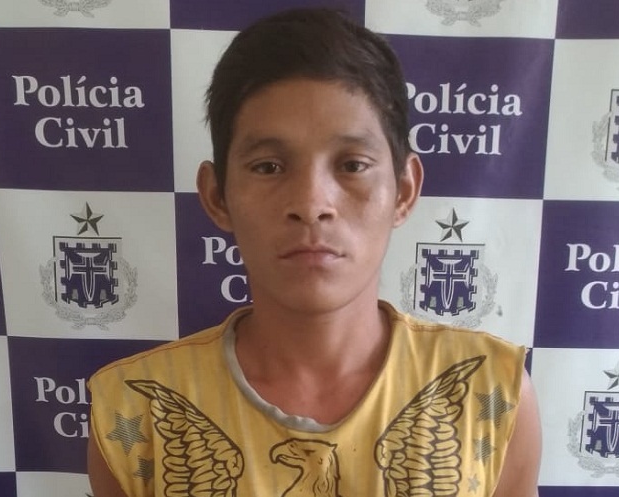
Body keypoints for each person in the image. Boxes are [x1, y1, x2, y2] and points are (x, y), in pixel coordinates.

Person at [87, 7, 541, 497]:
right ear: (217, 196)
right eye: (268, 167)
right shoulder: (133, 413)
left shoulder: (493, 395)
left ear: (404, 190)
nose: (310, 204)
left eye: (352, 165)